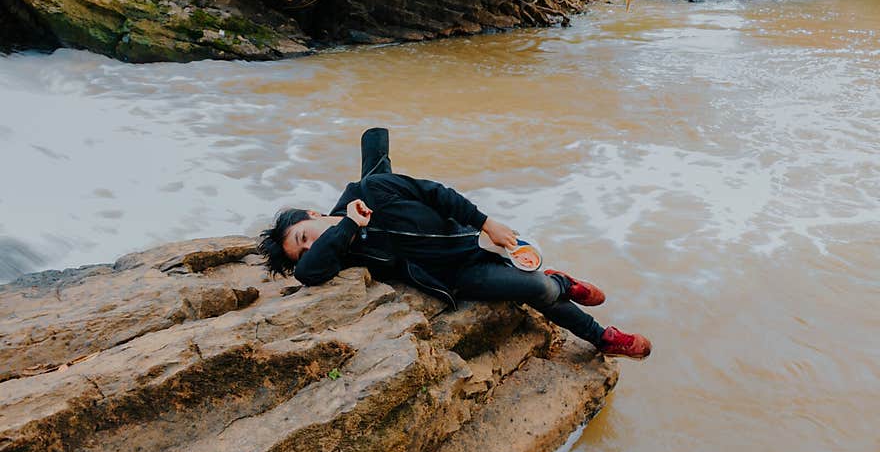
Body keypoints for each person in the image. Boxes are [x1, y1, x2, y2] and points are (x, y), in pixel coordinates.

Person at [259, 128, 651, 359]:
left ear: (312, 213)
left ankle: (600, 336)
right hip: (456, 275)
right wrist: (346, 226)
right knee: (539, 288)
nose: (312, 246)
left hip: (475, 239)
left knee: (378, 174)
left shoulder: (373, 191)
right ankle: (581, 306)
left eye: (304, 238)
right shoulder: (345, 248)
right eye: (304, 249)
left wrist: (488, 223)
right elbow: (310, 274)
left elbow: (438, 194)